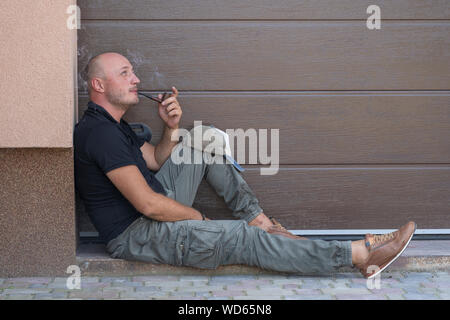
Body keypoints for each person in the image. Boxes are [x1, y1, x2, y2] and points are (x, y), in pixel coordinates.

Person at [74, 52, 416, 279]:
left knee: (203, 138)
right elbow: (147, 204)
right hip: (138, 233)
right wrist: (199, 220)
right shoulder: (99, 134)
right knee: (243, 239)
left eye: (133, 71)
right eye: (125, 73)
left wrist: (172, 128)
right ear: (99, 85)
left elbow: (155, 160)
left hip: (156, 205)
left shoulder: (114, 126)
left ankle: (260, 220)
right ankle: (358, 254)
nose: (136, 79)